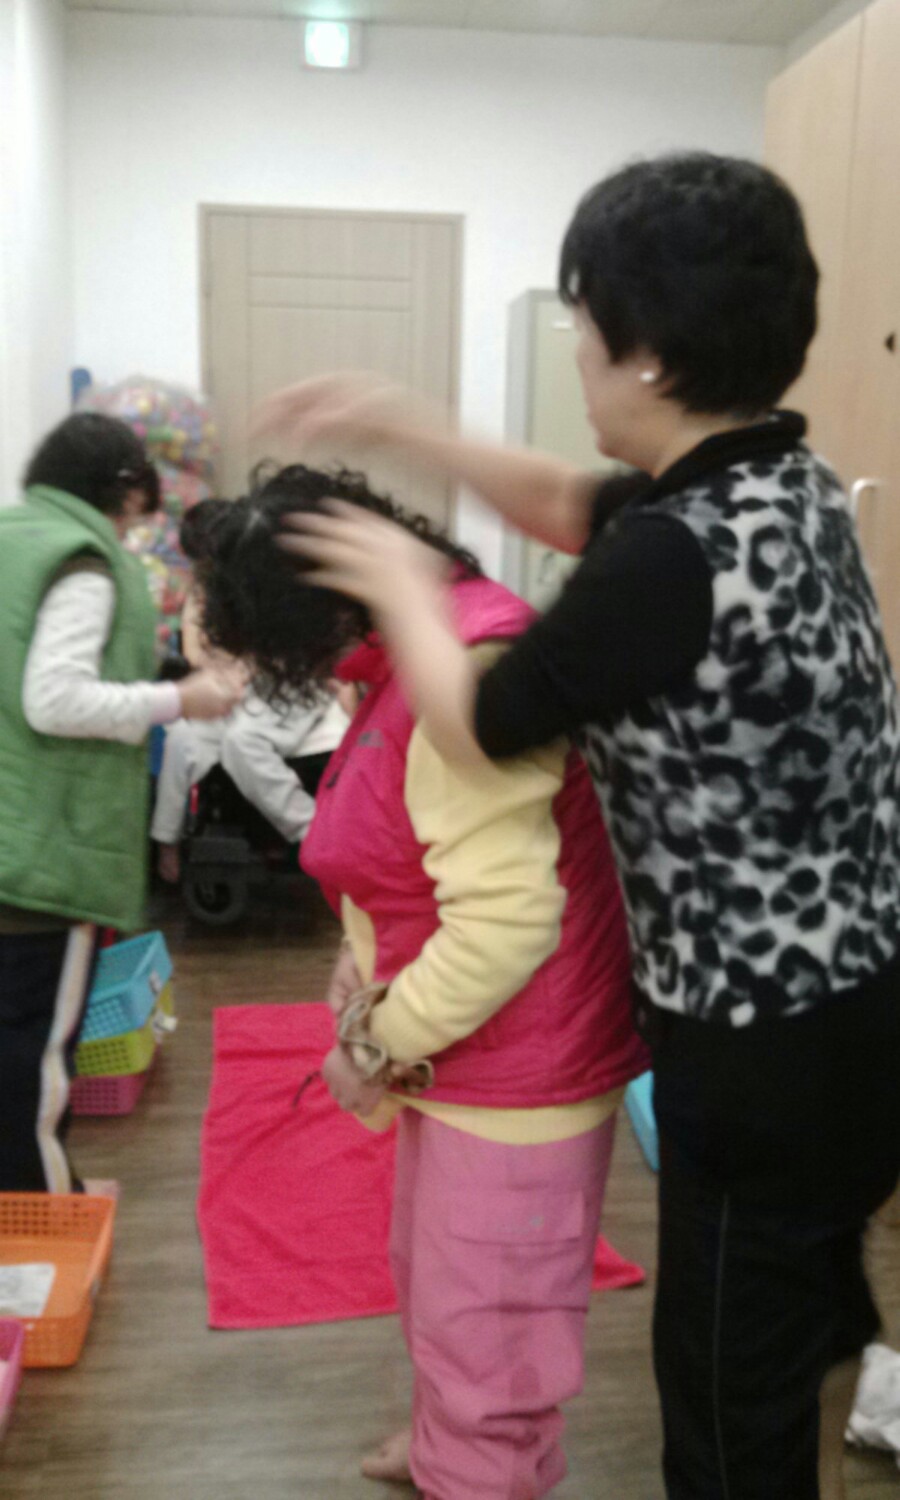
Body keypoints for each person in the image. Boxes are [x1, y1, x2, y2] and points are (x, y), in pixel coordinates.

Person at [259, 153, 900, 1500]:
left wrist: (400, 583)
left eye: (585, 324)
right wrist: (407, 425)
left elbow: (479, 720)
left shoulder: (670, 557)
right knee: (791, 1306)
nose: (577, 349)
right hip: (857, 1007)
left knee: (723, 1388)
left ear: (647, 356)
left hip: (759, 1046)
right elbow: (568, 505)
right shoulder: (778, 484)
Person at [197, 461, 648, 1500]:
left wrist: (371, 1044)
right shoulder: (416, 642)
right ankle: (452, 1439)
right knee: (443, 1286)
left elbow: (505, 922)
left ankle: (477, 1464)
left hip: (519, 1070)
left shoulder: (463, 668)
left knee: (490, 1324)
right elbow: (418, 845)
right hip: (469, 1056)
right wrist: (363, 955)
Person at [0, 413, 242, 1194]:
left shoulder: (14, 538)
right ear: (128, 488)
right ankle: (41, 1217)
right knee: (32, 1055)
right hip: (41, 854)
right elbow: (54, 699)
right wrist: (181, 700)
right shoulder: (85, 563)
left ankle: (48, 1193)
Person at [151, 500, 347, 884]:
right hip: (239, 686)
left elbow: (297, 647)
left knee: (242, 742)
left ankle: (314, 835)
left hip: (292, 683)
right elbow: (195, 649)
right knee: (182, 740)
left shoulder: (277, 576)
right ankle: (166, 840)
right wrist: (228, 673)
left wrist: (246, 667)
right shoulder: (207, 589)